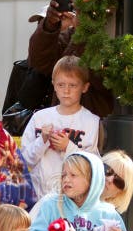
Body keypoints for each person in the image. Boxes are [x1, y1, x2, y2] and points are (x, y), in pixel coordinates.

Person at [21, 55, 101, 197]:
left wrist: (68, 147)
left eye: (72, 85)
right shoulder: (39, 117)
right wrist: (42, 141)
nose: (66, 91)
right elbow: (24, 160)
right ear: (54, 85)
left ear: (85, 87)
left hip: (73, 199)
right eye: (61, 85)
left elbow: (93, 166)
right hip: (40, 197)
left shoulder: (91, 121)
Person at [27, 0, 114, 118]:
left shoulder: (108, 38)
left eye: (64, 18)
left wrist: (84, 34)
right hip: (61, 121)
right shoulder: (68, 37)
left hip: (94, 123)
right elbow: (39, 61)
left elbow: (105, 81)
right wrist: (49, 25)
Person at [101, 150, 133, 214]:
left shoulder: (110, 220)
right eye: (107, 170)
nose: (109, 179)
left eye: (118, 181)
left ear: (120, 193)